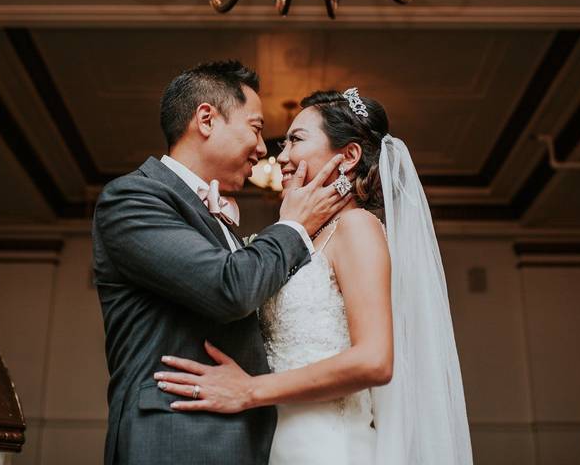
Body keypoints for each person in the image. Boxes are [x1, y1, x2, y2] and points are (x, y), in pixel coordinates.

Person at [154, 88, 474, 465]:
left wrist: (251, 390)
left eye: (296, 140)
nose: (281, 156)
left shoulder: (356, 228)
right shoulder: (299, 241)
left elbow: (375, 360)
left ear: (349, 155)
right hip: (276, 447)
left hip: (331, 448)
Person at [92, 61, 351, 465]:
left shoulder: (223, 217)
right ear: (207, 119)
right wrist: (294, 225)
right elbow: (228, 289)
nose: (265, 149)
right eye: (256, 127)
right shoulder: (132, 199)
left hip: (249, 440)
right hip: (175, 442)